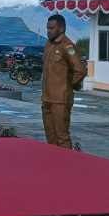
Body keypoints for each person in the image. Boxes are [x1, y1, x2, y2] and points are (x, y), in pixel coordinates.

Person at [41, 14, 86, 149]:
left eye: (52, 28)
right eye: (47, 28)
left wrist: (69, 85)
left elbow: (80, 70)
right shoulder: (49, 45)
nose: (48, 31)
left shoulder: (68, 46)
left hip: (60, 100)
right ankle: (53, 165)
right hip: (47, 98)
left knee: (62, 137)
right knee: (50, 136)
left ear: (61, 28)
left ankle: (66, 166)